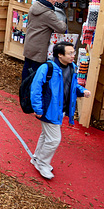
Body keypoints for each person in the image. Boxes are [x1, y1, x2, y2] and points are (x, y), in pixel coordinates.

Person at [30, 42, 91, 180]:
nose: (73, 56)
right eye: (70, 53)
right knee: (54, 139)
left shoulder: (72, 68)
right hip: (49, 110)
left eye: (73, 53)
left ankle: (37, 158)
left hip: (59, 110)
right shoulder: (47, 68)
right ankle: (43, 164)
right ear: (60, 54)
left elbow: (72, 86)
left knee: (46, 136)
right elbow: (36, 89)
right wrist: (38, 108)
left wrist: (82, 91)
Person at [22, 0, 67, 81]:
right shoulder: (48, 14)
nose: (55, 1)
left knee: (27, 67)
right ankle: (31, 91)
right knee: (36, 73)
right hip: (39, 47)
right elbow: (61, 28)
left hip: (30, 42)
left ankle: (24, 90)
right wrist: (62, 22)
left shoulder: (34, 7)